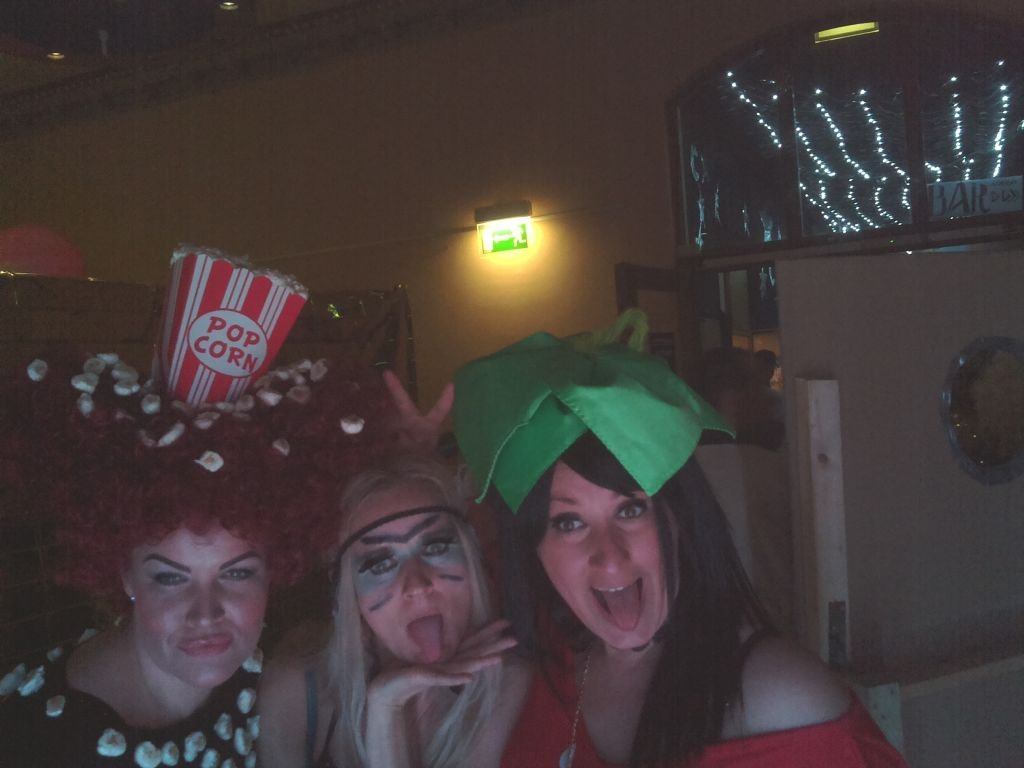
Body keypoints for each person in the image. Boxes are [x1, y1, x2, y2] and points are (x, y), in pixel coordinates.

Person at [453, 315, 907, 767]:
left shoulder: (778, 699)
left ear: (680, 520)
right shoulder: (537, 666)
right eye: (568, 522)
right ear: (534, 548)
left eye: (630, 510)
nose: (608, 556)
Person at [0, 349, 390, 767]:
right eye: (171, 578)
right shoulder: (35, 741)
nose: (206, 614)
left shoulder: (279, 675)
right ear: (124, 575)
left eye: (237, 573)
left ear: (272, 569)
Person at [258, 451, 524, 768]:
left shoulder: (509, 683)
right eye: (379, 564)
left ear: (471, 557)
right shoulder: (300, 685)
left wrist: (387, 707)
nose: (417, 585)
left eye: (436, 546)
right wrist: (385, 703)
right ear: (349, 594)